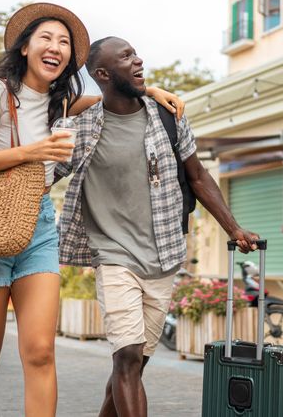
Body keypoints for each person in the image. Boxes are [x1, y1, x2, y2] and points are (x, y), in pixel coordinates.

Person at [0, 5, 184, 417]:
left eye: (63, 43)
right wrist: (32, 152)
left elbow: (108, 97)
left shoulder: (65, 100)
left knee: (40, 351)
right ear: (25, 48)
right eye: (46, 39)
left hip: (37, 227)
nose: (55, 47)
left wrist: (149, 92)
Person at [56, 36, 258, 417]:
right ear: (102, 74)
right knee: (128, 358)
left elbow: (197, 176)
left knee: (132, 366)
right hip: (113, 256)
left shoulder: (168, 115)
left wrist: (234, 228)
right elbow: (43, 171)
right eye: (127, 56)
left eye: (135, 53)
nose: (138, 60)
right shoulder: (79, 129)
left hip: (163, 255)